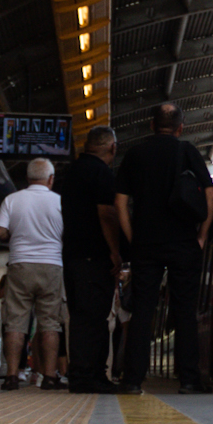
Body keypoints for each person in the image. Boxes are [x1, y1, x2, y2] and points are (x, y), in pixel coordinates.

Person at [114, 102, 213, 394]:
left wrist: (134, 239)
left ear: (151, 125)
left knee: (143, 310)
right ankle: (189, 380)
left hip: (146, 243)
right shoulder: (187, 152)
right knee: (184, 309)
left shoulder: (135, 154)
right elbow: (211, 197)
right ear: (181, 127)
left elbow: (120, 204)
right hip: (183, 242)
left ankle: (132, 380)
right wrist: (201, 236)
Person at [0, 157, 65, 391]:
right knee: (50, 323)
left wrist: (17, 236)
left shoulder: (12, 200)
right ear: (51, 179)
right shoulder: (60, 201)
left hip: (20, 265)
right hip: (52, 266)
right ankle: (50, 376)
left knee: (15, 323)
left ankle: (12, 376)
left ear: (27, 177)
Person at [60, 125, 125, 393]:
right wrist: (115, 251)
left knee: (79, 316)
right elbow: (107, 214)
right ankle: (89, 377)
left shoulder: (69, 173)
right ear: (112, 148)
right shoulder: (102, 173)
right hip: (93, 256)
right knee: (94, 317)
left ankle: (82, 374)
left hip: (72, 255)